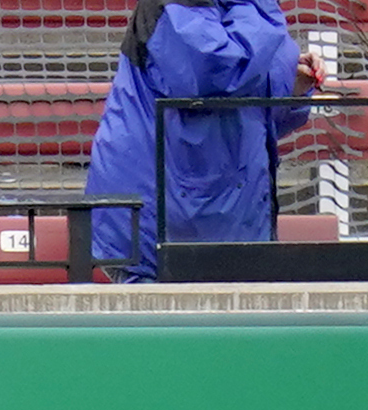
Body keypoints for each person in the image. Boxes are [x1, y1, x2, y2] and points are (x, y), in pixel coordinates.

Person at [85, 0, 327, 281]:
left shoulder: (241, 10)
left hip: (219, 220)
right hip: (161, 227)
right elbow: (219, 74)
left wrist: (290, 84)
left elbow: (247, 115)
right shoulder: (184, 5)